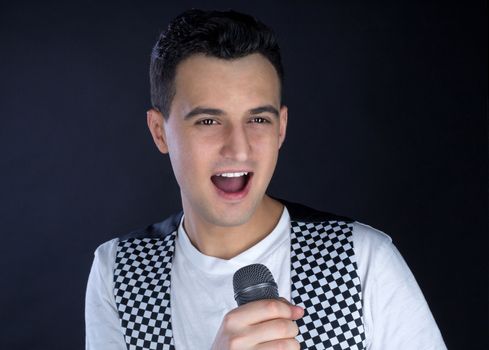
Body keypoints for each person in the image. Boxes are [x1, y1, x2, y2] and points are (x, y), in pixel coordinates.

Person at [85, 9, 447, 350]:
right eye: (208, 121)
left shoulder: (361, 260)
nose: (238, 148)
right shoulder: (120, 271)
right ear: (159, 132)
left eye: (258, 119)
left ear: (281, 128)